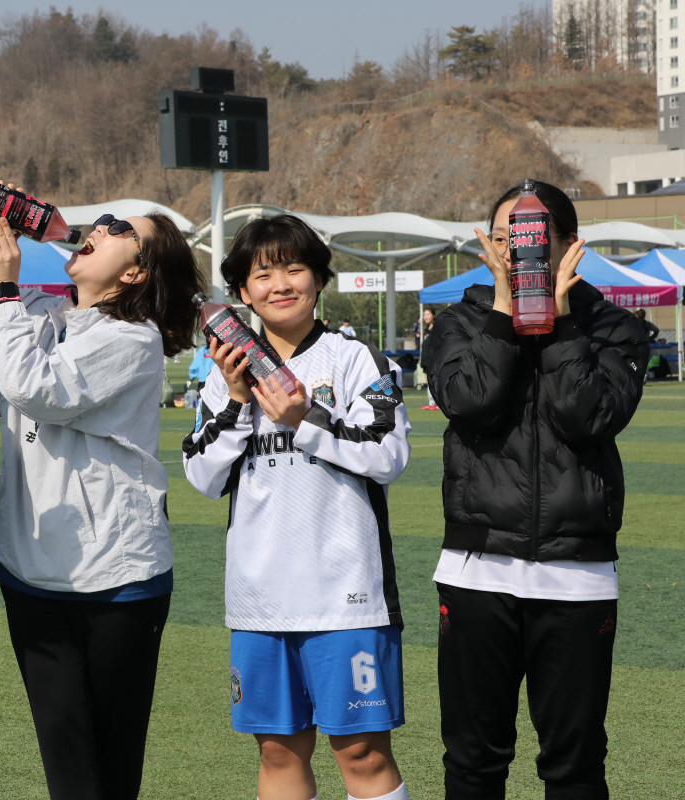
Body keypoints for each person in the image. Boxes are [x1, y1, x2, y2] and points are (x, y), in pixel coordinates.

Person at [0, 197, 205, 800]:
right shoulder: (38, 313)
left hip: (117, 576)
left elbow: (38, 389)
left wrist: (4, 290)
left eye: (119, 229)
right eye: (101, 221)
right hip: (30, 569)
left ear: (136, 272)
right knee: (66, 761)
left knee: (112, 767)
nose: (98, 228)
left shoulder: (133, 338)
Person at [427, 180, 648, 800]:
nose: (517, 251)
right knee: (473, 762)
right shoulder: (459, 321)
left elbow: (587, 417)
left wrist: (560, 318)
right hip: (476, 570)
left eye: (532, 238)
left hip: (578, 575)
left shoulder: (614, 327)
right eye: (506, 238)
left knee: (574, 765)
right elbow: (471, 403)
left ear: (570, 245)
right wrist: (507, 309)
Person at [183, 214, 412, 800]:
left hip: (346, 596)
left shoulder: (356, 358)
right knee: (278, 752)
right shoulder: (226, 373)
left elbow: (388, 455)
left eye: (294, 268)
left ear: (319, 279)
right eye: (263, 275)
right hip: (259, 598)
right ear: (242, 292)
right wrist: (238, 403)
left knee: (362, 753)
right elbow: (203, 476)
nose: (280, 284)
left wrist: (303, 419)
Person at [418, 307, 439, 411]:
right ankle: (431, 403)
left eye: (428, 314)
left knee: (435, 380)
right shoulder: (426, 330)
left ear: (433, 315)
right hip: (426, 360)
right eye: (424, 315)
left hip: (433, 360)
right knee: (429, 381)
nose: (426, 317)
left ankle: (438, 403)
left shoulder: (436, 329)